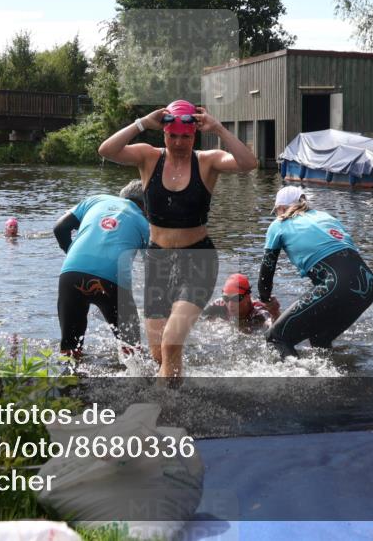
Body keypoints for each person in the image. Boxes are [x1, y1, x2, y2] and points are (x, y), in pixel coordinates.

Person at [98, 99, 258, 377]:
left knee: (171, 343)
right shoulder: (148, 157)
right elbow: (106, 150)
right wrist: (142, 123)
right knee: (158, 354)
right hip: (157, 261)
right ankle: (177, 395)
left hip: (197, 261)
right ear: (164, 133)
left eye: (185, 137)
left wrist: (219, 129)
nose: (179, 143)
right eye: (173, 136)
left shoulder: (207, 161)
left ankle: (159, 403)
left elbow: (249, 163)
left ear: (194, 135)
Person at [259, 186, 373, 359]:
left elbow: (265, 275)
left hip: (338, 284)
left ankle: (298, 377)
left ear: (281, 208)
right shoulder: (326, 217)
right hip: (368, 285)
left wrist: (266, 301)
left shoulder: (279, 224)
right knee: (319, 338)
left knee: (275, 338)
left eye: (276, 211)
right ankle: (340, 374)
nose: (277, 215)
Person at [53, 180, 150, 358]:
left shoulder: (96, 200)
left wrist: (72, 254)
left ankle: (70, 373)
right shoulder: (145, 224)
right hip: (112, 281)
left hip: (71, 273)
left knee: (70, 350)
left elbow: (60, 228)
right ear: (146, 206)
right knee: (132, 350)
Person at [201, 273, 279, 334]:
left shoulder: (258, 311)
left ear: (248, 297)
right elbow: (199, 319)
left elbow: (273, 326)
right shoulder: (219, 304)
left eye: (236, 298)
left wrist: (275, 313)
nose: (230, 304)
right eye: (226, 298)